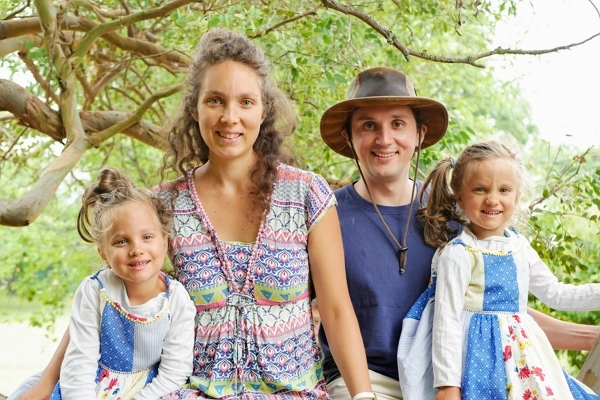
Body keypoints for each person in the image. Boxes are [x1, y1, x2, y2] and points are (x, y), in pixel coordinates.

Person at [10, 28, 374, 400]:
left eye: (246, 102)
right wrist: (45, 382)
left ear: (264, 110)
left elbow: (335, 309)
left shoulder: (306, 194)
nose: (230, 117)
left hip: (293, 393)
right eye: (215, 100)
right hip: (191, 392)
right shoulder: (164, 205)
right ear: (195, 108)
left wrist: (363, 396)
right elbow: (107, 293)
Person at [317, 66, 600, 400]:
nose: (384, 139)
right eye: (368, 125)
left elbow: (492, 307)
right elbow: (330, 311)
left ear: (420, 134)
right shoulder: (327, 214)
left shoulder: (454, 213)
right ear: (349, 136)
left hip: (451, 377)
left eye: (397, 124)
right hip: (367, 381)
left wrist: (590, 337)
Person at [398, 138, 600, 400]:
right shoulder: (459, 253)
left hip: (522, 358)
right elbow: (445, 321)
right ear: (460, 194)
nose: (493, 200)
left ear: (517, 196)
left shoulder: (519, 247)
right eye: (481, 189)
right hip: (478, 362)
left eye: (504, 190)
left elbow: (555, 293)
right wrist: (448, 385)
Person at [51, 167, 196, 400]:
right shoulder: (95, 290)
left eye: (147, 237)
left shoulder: (176, 300)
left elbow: (175, 371)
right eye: (121, 241)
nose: (136, 249)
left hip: (151, 391)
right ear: (104, 255)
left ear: (165, 242)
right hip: (91, 387)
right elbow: (79, 360)